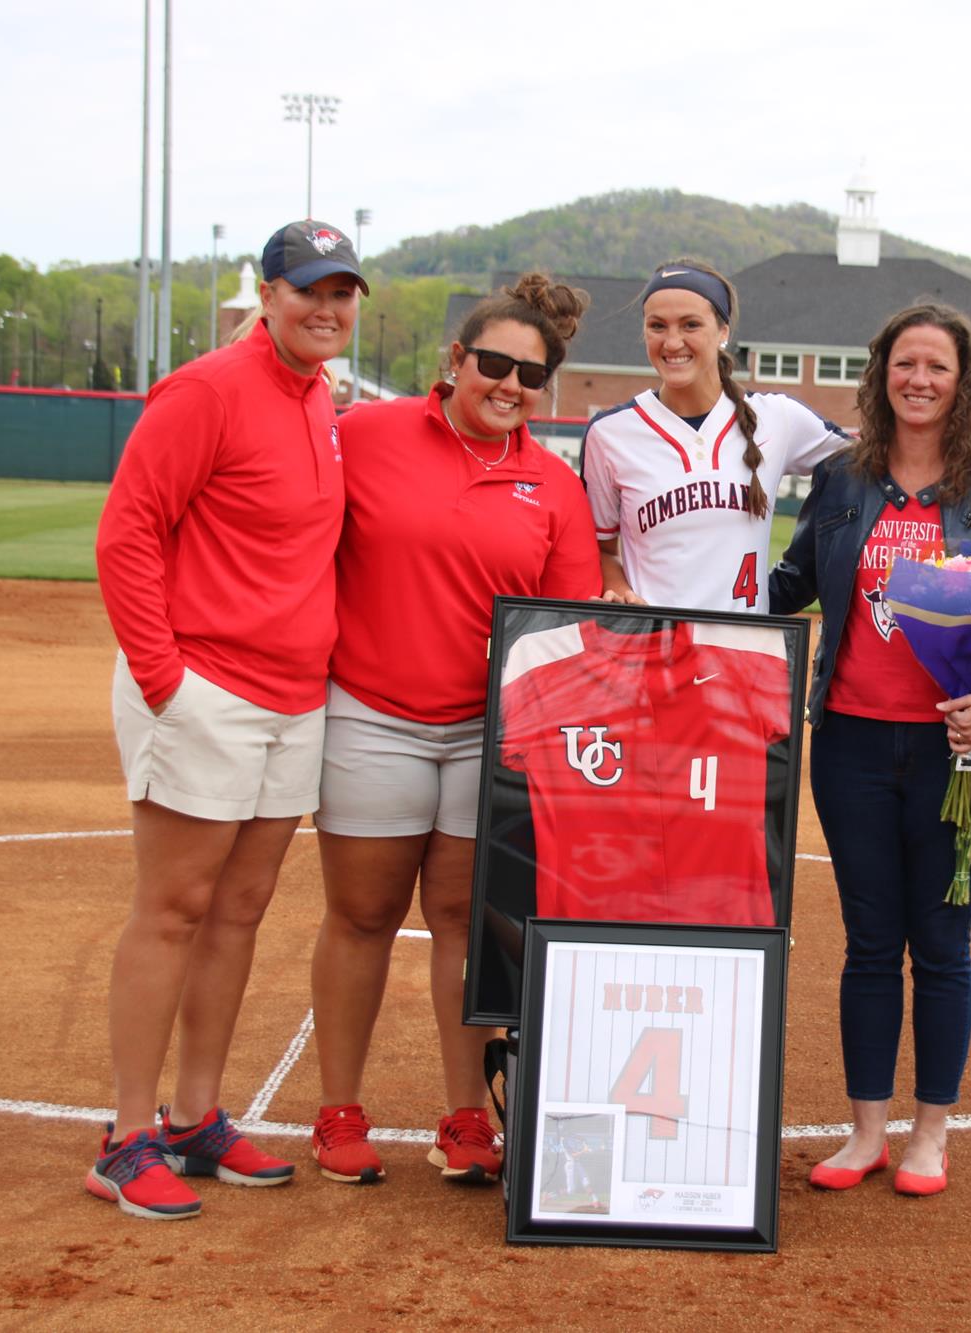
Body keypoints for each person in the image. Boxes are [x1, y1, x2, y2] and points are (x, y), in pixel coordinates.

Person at [90, 219, 367, 1220]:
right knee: (173, 906)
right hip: (205, 685)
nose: (327, 310)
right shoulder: (207, 388)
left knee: (240, 911)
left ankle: (196, 1118)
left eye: (342, 295)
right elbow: (125, 534)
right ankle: (125, 1136)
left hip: (295, 698)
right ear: (267, 292)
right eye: (309, 292)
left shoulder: (318, 397)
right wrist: (166, 682)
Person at [304, 274, 601, 1187]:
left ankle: (467, 1117)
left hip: (489, 734)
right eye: (495, 363)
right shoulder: (365, 433)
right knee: (362, 914)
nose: (510, 384)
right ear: (456, 361)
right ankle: (338, 1110)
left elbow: (571, 619)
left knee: (463, 928)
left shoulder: (553, 483)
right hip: (373, 714)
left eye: (531, 374)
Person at [769, 303, 971, 1197]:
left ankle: (931, 1133)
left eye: (937, 365)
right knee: (867, 942)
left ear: (963, 376)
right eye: (905, 364)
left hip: (959, 752)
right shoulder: (846, 478)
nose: (920, 380)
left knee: (940, 940)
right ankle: (866, 1134)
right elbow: (785, 584)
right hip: (852, 741)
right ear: (882, 372)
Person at [582, 259, 971, 612]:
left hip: (741, 656)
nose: (672, 341)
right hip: (645, 649)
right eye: (656, 325)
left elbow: (882, 450)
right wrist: (618, 588)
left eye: (691, 325)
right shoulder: (611, 434)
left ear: (723, 331)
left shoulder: (776, 418)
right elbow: (600, 550)